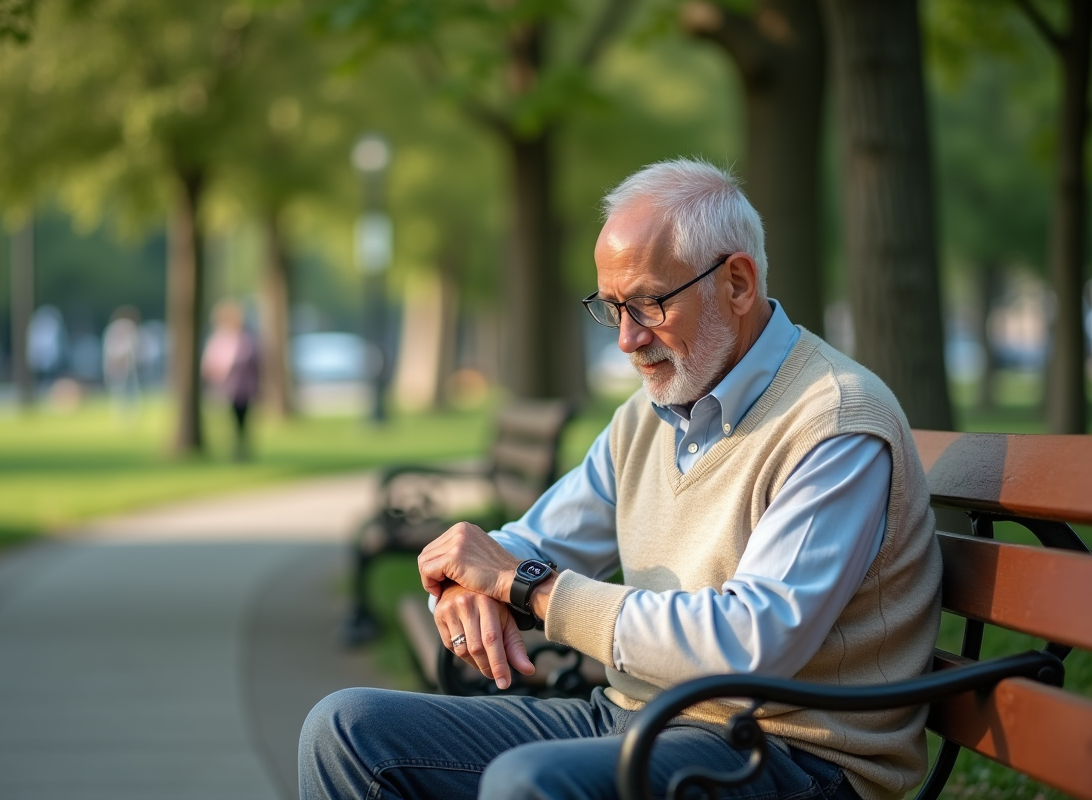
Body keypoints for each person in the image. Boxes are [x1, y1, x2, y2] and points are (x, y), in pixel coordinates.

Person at [300, 159, 943, 800]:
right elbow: (539, 540)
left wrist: (527, 588)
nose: (628, 341)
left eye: (648, 304)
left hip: (791, 757)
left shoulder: (834, 421)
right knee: (347, 730)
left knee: (528, 784)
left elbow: (752, 644)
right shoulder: (651, 414)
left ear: (738, 284)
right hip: (640, 721)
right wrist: (475, 581)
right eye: (613, 309)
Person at [201, 300, 260, 460]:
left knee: (242, 419)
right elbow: (211, 364)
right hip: (227, 388)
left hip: (244, 388)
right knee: (233, 419)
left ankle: (242, 450)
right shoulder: (220, 339)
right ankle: (237, 449)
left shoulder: (245, 339)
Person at [102, 306, 142, 419]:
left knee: (119, 392)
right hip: (124, 363)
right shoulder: (128, 326)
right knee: (129, 391)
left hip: (116, 363)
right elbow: (132, 347)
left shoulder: (112, 327)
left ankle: (121, 416)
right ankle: (129, 416)